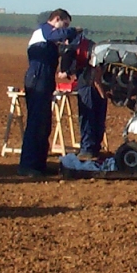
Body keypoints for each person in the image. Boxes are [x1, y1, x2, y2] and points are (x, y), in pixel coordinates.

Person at [18, 9, 80, 177]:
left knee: (44, 124)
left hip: (45, 79)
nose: (65, 29)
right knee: (35, 122)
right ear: (56, 19)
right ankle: (27, 165)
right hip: (37, 78)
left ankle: (39, 164)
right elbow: (56, 35)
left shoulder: (50, 38)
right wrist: (73, 31)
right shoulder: (44, 30)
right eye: (64, 24)